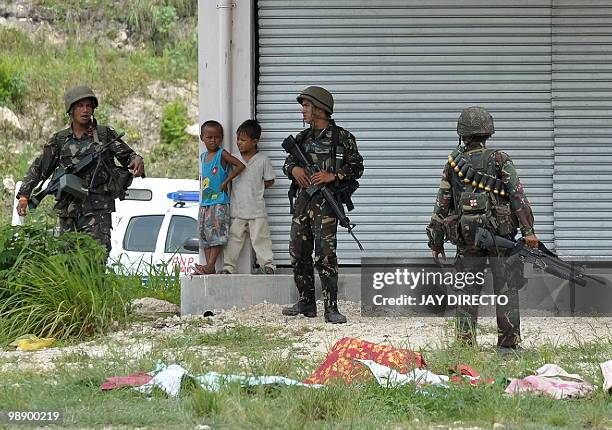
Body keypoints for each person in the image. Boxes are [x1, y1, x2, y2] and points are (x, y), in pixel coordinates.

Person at [426, 106, 539, 354]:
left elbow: (442, 203)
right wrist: (528, 231)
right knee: (506, 289)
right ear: (488, 131)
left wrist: (436, 241)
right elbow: (517, 196)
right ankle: (508, 345)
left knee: (467, 289)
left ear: (462, 133)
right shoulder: (500, 159)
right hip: (501, 237)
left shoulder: (453, 163)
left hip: (467, 239)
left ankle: (465, 345)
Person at [16, 85, 144, 254]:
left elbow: (129, 156)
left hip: (97, 211)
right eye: (80, 106)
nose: (85, 110)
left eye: (89, 106)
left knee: (96, 258)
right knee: (67, 260)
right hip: (68, 212)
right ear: (71, 110)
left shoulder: (105, 135)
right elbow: (39, 168)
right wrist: (25, 195)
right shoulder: (60, 140)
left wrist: (136, 160)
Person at [281, 86, 364, 324]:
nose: (303, 111)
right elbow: (288, 163)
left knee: (325, 255)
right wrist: (295, 169)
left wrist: (332, 177)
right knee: (298, 253)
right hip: (303, 203)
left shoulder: (342, 138)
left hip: (326, 205)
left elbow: (357, 167)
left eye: (306, 106)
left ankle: (331, 307)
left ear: (320, 109)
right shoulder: (302, 138)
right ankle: (306, 302)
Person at [221, 119, 276, 274]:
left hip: (257, 209)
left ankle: (268, 264)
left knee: (261, 239)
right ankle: (228, 267)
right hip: (237, 209)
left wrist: (257, 187)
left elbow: (270, 180)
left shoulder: (263, 160)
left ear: (254, 142)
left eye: (243, 140)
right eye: (238, 139)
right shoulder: (233, 158)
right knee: (233, 240)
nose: (239, 143)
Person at [192, 120, 245, 275]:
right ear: (202, 137)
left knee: (217, 234)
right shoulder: (203, 157)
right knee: (205, 235)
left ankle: (210, 265)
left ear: (221, 138)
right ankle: (210, 268)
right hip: (205, 203)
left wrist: (227, 180)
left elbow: (240, 166)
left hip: (219, 202)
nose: (213, 140)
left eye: (217, 137)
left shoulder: (222, 154)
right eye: (209, 137)